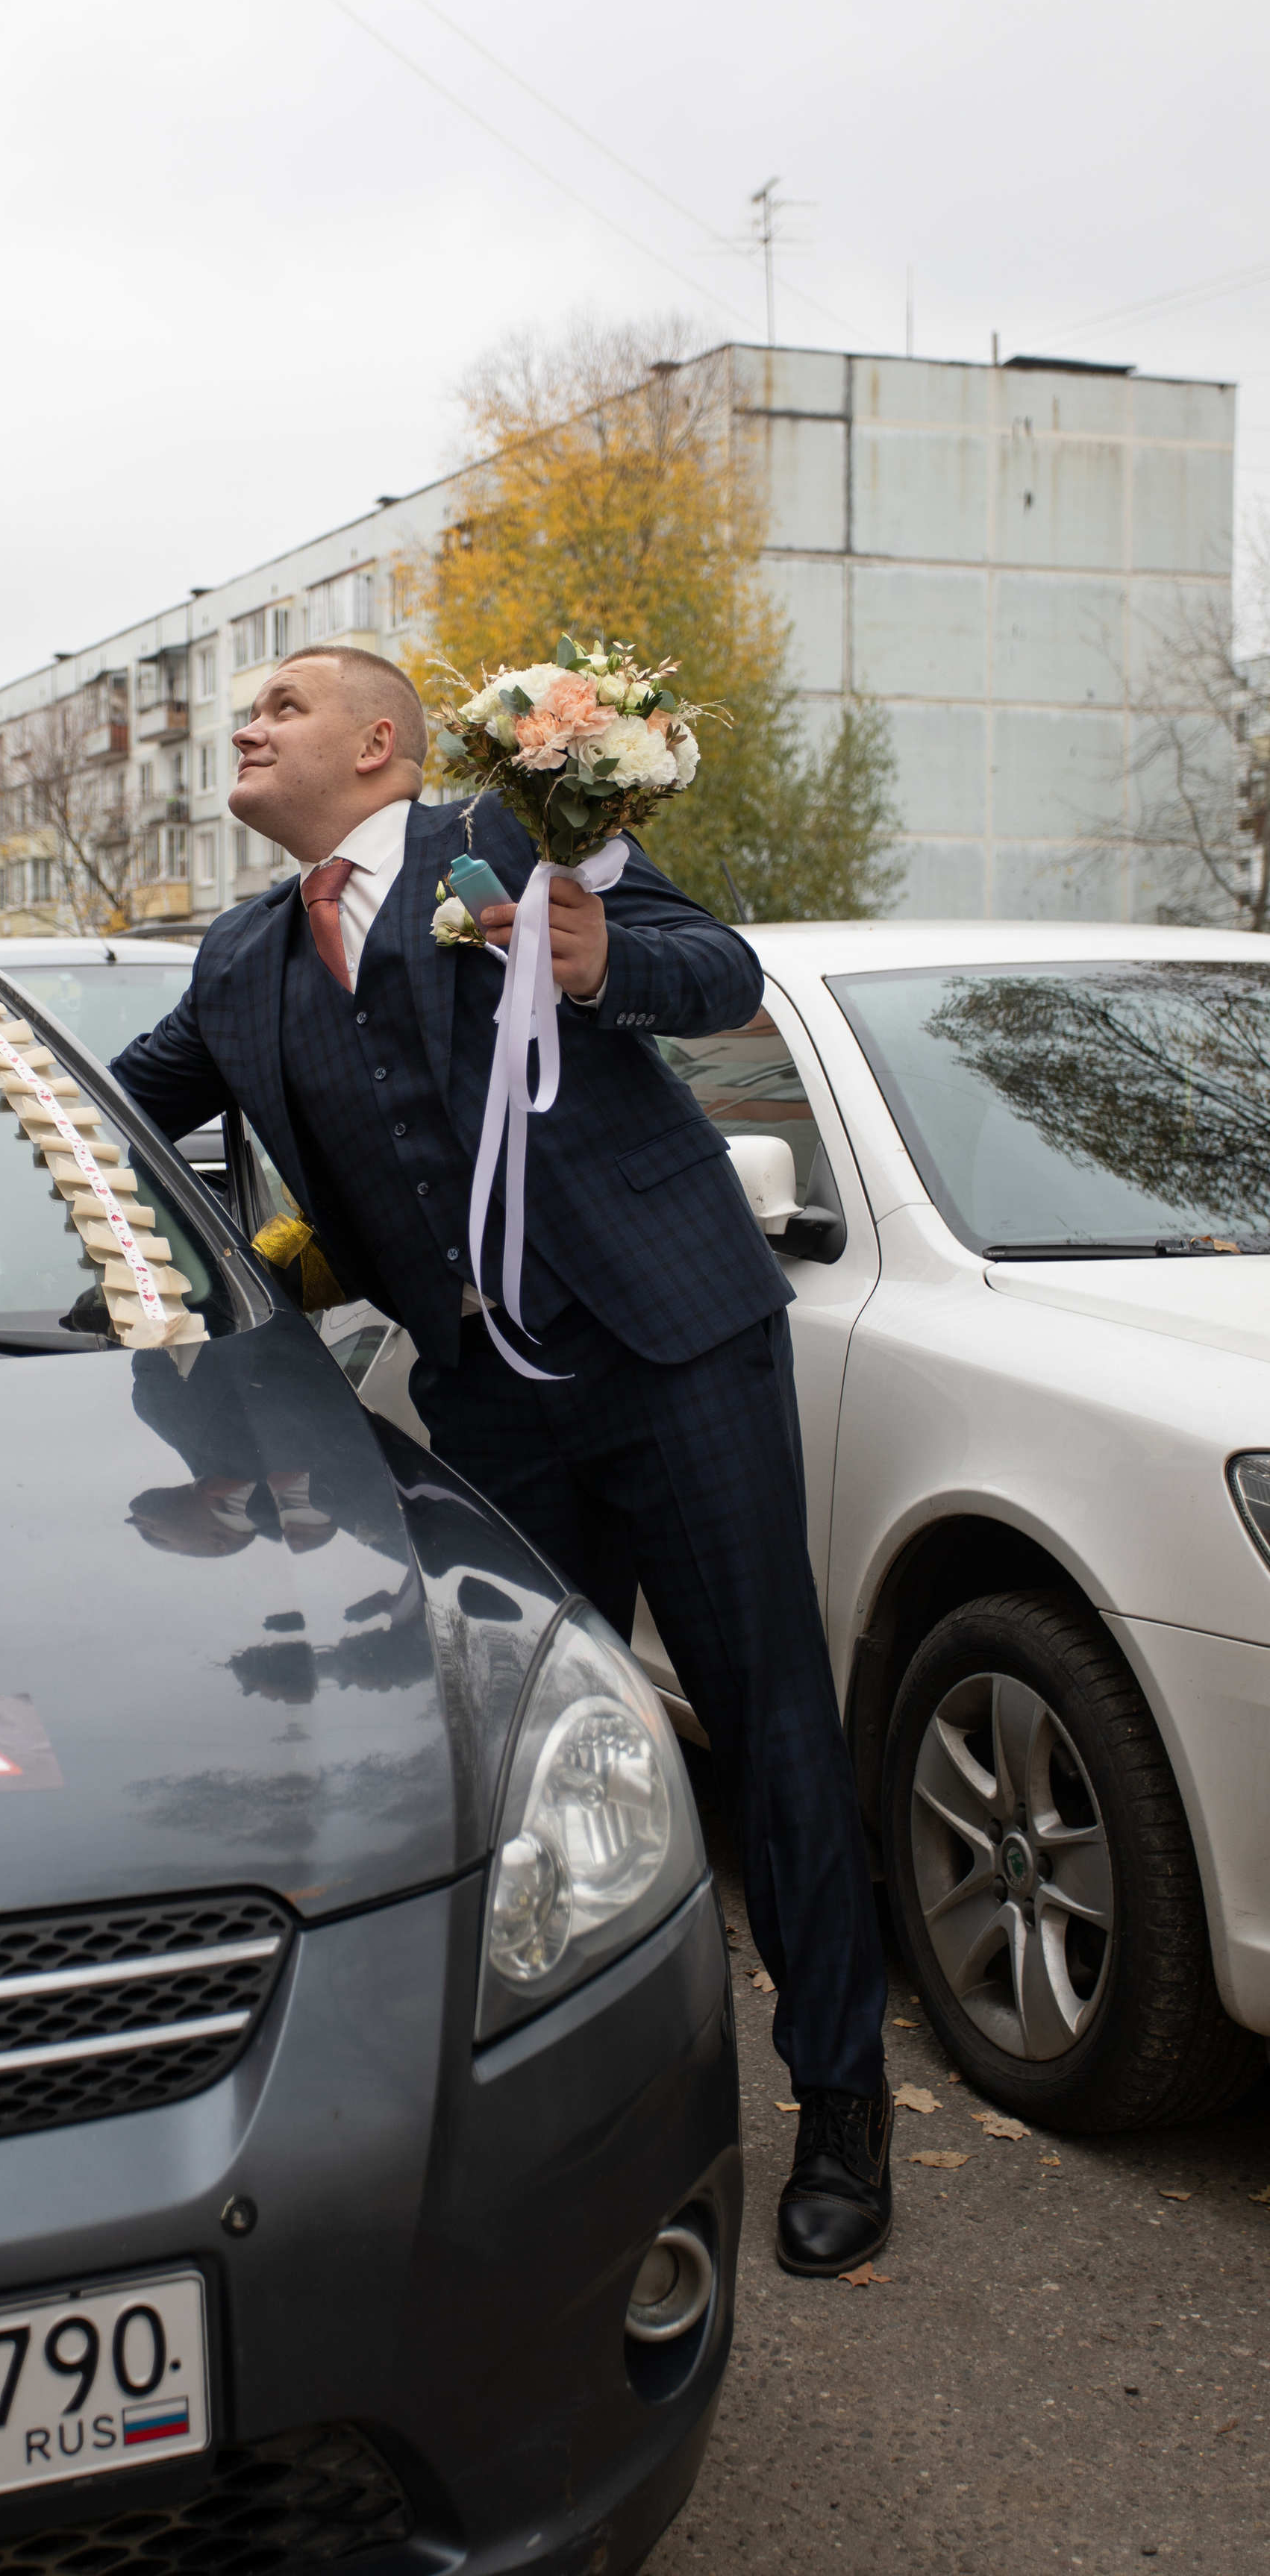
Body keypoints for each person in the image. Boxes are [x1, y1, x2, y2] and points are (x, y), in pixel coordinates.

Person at [110, 645, 894, 2275]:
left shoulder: (507, 834)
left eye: (282, 706)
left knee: (765, 1727)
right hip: (481, 1397)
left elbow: (718, 969)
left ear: (380, 744)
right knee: (522, 1761)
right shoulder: (240, 959)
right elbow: (114, 1124)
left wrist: (604, 960)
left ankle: (840, 2106)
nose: (246, 725)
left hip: (673, 1344)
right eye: (246, 711)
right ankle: (578, 2132)